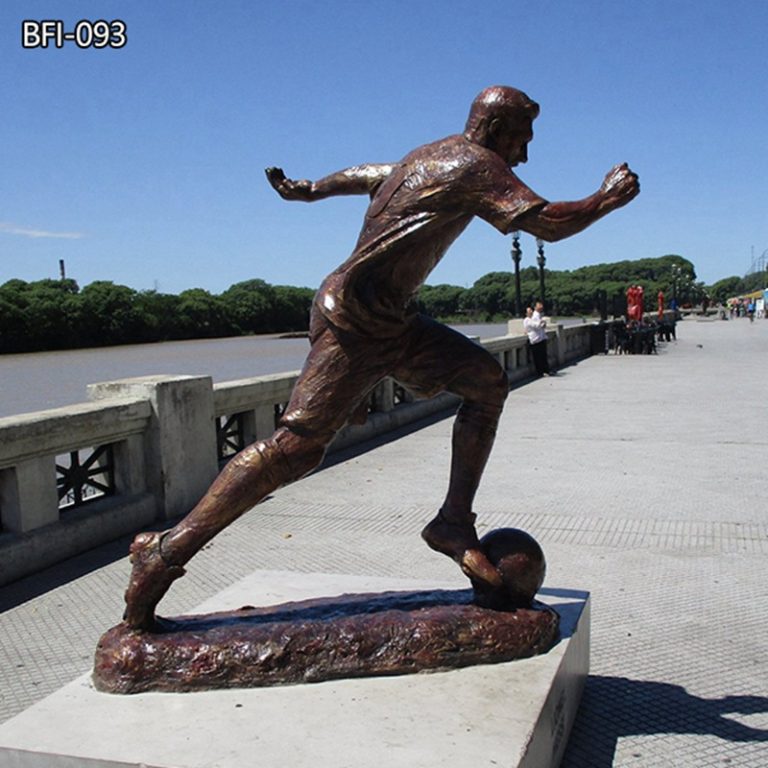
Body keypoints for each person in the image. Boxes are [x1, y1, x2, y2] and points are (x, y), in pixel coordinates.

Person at [123, 85, 640, 629]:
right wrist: (604, 198)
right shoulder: (475, 164)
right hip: (356, 322)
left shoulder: (429, 157)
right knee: (293, 451)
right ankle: (164, 553)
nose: (524, 155)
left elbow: (367, 174)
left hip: (392, 321)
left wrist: (311, 190)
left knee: (487, 383)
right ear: (494, 130)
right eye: (521, 139)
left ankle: (452, 523)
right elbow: (546, 223)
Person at [523, 302, 550, 376]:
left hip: (539, 339)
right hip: (534, 340)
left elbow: (540, 325)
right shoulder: (527, 320)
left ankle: (545, 371)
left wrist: (541, 323)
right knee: (537, 358)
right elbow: (536, 326)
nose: (531, 312)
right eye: (529, 311)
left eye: (530, 310)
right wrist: (541, 322)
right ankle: (540, 372)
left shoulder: (532, 318)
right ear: (526, 313)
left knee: (542, 356)